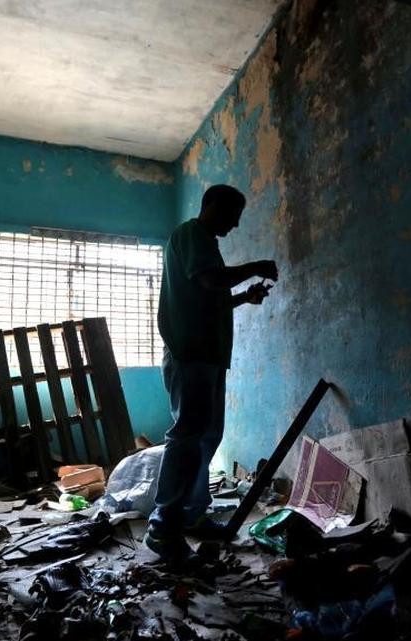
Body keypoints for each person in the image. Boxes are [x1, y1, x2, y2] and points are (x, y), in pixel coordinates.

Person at [144, 184, 278, 563]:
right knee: (187, 437)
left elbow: (209, 297)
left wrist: (245, 297)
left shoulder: (206, 244)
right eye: (233, 215)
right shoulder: (191, 234)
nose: (235, 225)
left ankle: (192, 513)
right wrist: (255, 266)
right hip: (189, 354)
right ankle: (163, 527)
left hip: (208, 356)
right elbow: (210, 280)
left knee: (206, 438)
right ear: (212, 205)